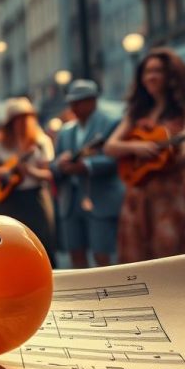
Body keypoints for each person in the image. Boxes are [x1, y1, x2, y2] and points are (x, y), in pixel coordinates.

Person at [103, 48, 185, 267]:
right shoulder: (137, 111)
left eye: (157, 71)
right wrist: (137, 147)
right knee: (141, 263)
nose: (151, 77)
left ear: (172, 75)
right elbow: (110, 146)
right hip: (141, 191)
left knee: (177, 262)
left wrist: (161, 159)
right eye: (147, 72)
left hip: (176, 191)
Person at [50, 80, 124, 268]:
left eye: (79, 101)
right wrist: (61, 165)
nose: (73, 106)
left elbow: (117, 159)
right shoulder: (67, 131)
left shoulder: (111, 123)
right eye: (71, 102)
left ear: (92, 101)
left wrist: (87, 166)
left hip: (100, 198)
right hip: (71, 200)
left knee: (103, 256)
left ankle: (108, 296)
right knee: (76, 254)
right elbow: (54, 165)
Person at [0, 97, 57, 263]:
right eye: (18, 119)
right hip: (10, 199)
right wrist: (6, 171)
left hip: (35, 197)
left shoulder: (41, 142)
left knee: (42, 243)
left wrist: (29, 171)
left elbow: (48, 174)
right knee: (11, 245)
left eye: (26, 117)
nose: (23, 122)